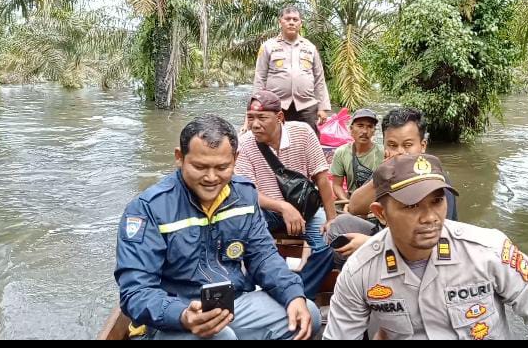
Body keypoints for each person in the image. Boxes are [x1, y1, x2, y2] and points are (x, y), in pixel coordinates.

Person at [115, 115, 319, 340]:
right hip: (174, 319)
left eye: (222, 167)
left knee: (307, 313)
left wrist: (293, 293)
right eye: (200, 167)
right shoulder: (148, 209)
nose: (211, 178)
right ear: (179, 158)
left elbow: (264, 257)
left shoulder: (244, 196)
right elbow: (135, 292)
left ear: (235, 159)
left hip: (233, 305)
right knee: (223, 337)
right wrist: (182, 315)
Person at [323, 154, 528, 340]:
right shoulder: (360, 271)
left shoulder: (488, 251)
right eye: (412, 206)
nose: (430, 217)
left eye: (437, 201)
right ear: (381, 214)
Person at [235, 90, 336, 299]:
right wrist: (283, 207)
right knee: (247, 239)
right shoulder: (244, 143)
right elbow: (248, 193)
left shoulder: (303, 133)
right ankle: (253, 292)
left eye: (262, 118)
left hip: (305, 209)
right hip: (267, 210)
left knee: (328, 245)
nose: (255, 124)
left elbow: (321, 178)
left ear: (279, 117)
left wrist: (332, 219)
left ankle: (299, 295)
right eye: (251, 118)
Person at [326, 107, 457, 266]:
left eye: (408, 145)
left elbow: (434, 235)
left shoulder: (436, 180)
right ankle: (359, 279)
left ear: (423, 146)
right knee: (340, 224)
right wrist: (381, 178)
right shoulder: (387, 171)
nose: (400, 152)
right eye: (393, 145)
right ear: (385, 146)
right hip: (386, 233)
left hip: (420, 245)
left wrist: (372, 244)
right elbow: (354, 207)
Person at [254, 6, 331, 136]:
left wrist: (323, 107)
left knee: (310, 142)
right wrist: (257, 105)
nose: (291, 22)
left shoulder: (310, 47)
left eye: (295, 19)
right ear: (280, 22)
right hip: (277, 105)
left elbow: (319, 79)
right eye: (287, 19)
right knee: (275, 141)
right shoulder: (268, 46)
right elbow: (260, 77)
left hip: (306, 105)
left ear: (301, 23)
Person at [329, 108, 384, 203]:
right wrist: (346, 201)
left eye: (370, 126)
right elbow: (337, 185)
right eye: (360, 126)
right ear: (351, 129)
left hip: (376, 202)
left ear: (374, 131)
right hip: (350, 200)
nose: (365, 131)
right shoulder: (341, 152)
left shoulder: (383, 153)